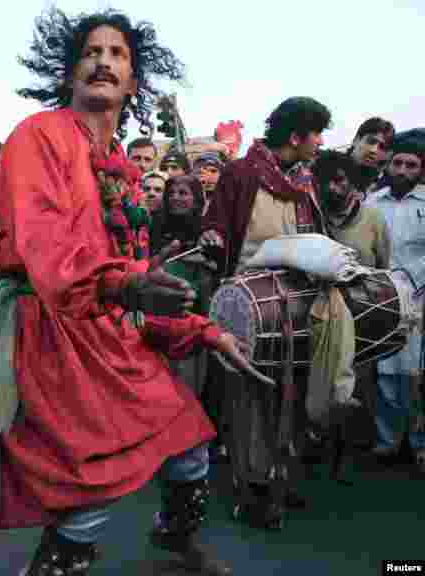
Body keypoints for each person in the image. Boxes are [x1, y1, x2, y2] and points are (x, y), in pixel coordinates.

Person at [0, 9, 268, 575]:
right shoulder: (39, 135)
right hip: (48, 326)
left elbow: (132, 277)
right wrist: (128, 285)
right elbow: (47, 248)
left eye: (117, 54)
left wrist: (203, 330)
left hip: (108, 328)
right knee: (91, 480)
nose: (102, 60)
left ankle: (176, 540)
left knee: (190, 440)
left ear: (133, 81)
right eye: (91, 52)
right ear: (70, 73)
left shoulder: (119, 168)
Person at [201, 96, 334, 529]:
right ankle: (252, 488)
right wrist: (213, 241)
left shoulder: (305, 182)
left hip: (295, 302)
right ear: (296, 136)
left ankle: (281, 476)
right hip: (249, 305)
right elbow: (217, 225)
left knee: (290, 393)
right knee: (250, 397)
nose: (320, 143)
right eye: (317, 134)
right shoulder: (241, 173)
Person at [309, 150, 390, 465]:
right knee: (320, 380)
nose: (332, 189)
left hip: (365, 315)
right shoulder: (311, 216)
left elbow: (384, 267)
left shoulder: (373, 218)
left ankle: (350, 451)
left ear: (353, 184)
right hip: (323, 313)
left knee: (359, 383)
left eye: (340, 181)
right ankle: (319, 445)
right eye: (325, 182)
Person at [365, 131, 425, 475]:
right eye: (397, 163)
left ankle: (418, 444)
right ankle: (387, 442)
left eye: (411, 165)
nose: (402, 170)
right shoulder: (373, 203)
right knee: (386, 373)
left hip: (421, 301)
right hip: (383, 300)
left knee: (416, 375)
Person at [349, 117, 394, 197]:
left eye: (382, 147)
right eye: (371, 141)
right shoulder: (327, 168)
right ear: (355, 140)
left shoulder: (381, 190)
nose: (374, 150)